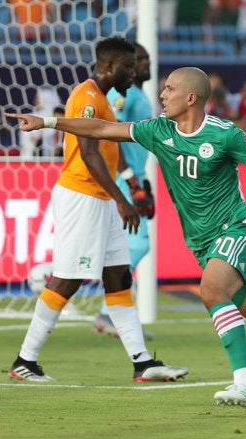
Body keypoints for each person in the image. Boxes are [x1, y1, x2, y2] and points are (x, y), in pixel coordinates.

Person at [6, 66, 246, 410]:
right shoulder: (157, 130)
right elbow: (103, 128)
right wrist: (49, 122)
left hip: (238, 228)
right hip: (201, 241)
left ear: (191, 98)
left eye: (169, 89)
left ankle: (245, 386)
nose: (162, 95)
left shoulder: (225, 134)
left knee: (212, 291)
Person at [6, 37, 188, 383]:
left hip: (101, 199)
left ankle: (142, 364)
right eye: (128, 67)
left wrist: (129, 183)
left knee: (118, 277)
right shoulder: (87, 97)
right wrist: (122, 200)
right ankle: (24, 361)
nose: (133, 73)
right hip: (82, 197)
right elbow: (89, 154)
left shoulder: (103, 99)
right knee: (68, 279)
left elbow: (109, 145)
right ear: (107, 67)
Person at [92, 42, 156, 338]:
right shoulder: (121, 94)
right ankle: (110, 310)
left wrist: (142, 181)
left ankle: (112, 312)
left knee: (124, 243)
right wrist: (131, 180)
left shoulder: (140, 94)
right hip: (124, 179)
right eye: (138, 60)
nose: (144, 64)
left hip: (135, 176)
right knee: (137, 243)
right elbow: (112, 137)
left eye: (145, 59)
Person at [19, 87, 64, 160]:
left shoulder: (55, 119)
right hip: (30, 157)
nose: (35, 101)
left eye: (38, 98)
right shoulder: (30, 117)